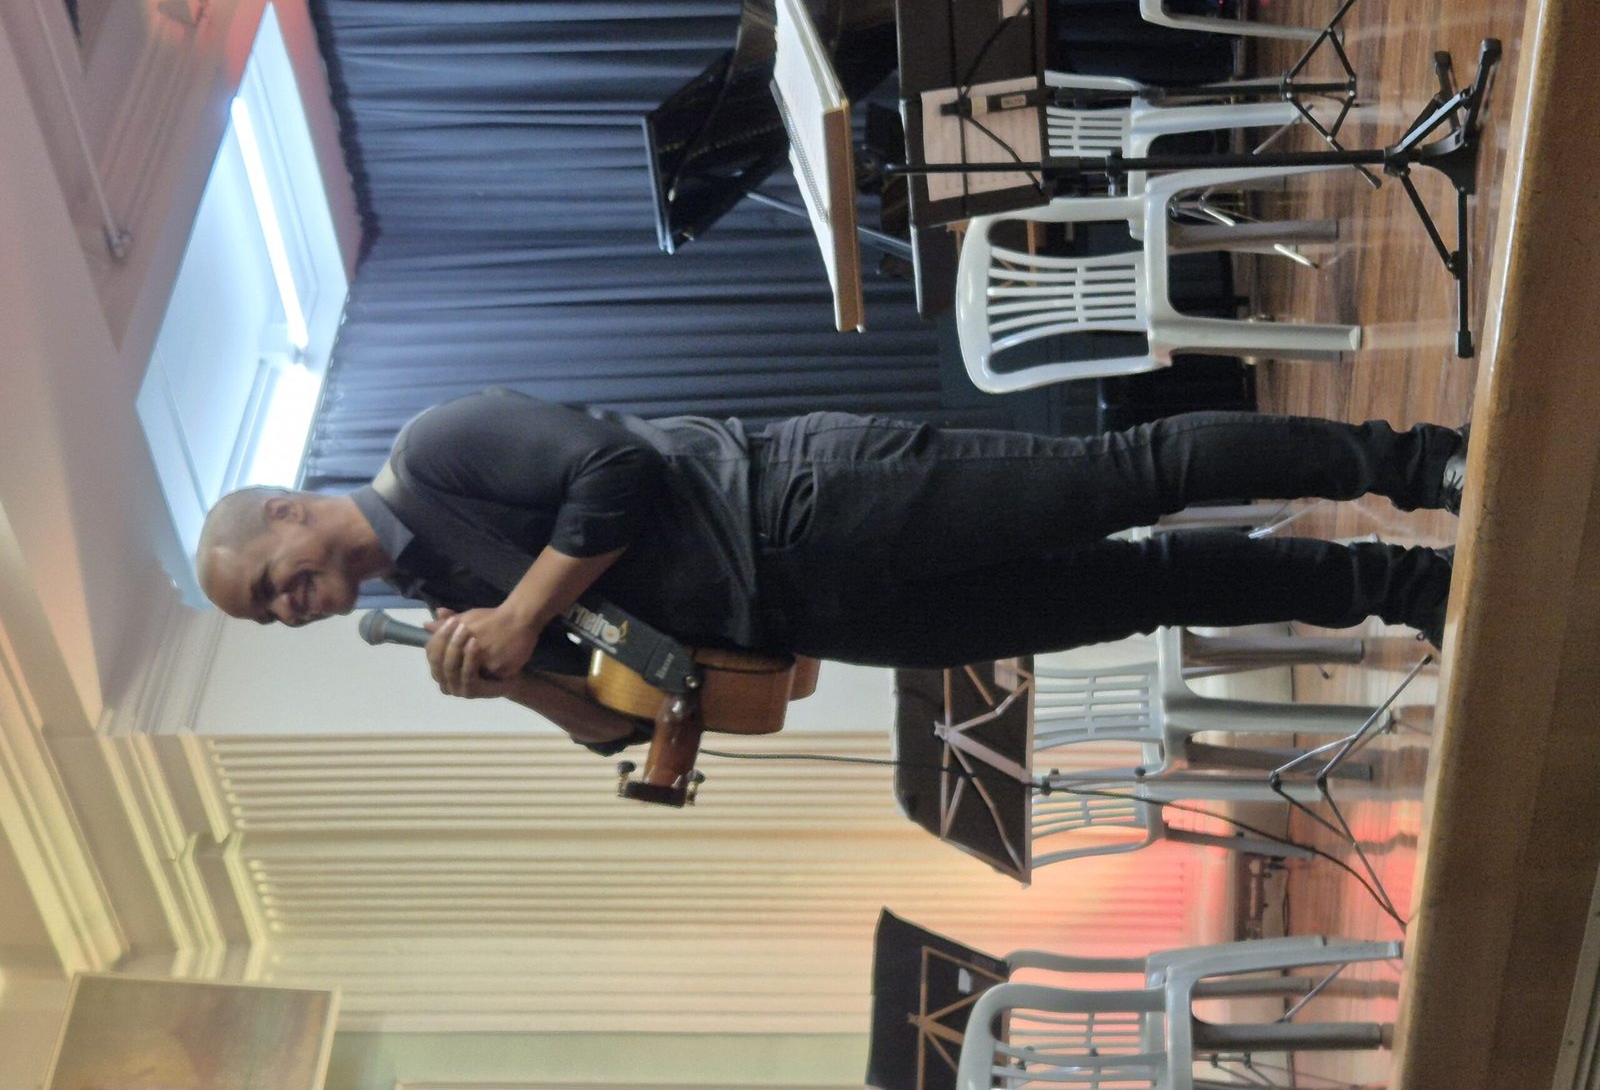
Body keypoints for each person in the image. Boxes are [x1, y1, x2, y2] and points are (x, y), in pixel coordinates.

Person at [196, 388, 1466, 752]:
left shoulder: (435, 449)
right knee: (1134, 593)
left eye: (271, 583)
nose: (290, 609)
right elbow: (622, 719)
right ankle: (1405, 591)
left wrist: (524, 611)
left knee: (1118, 477)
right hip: (821, 612)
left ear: (289, 510)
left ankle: (1417, 462)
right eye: (272, 618)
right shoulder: (444, 610)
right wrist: (512, 682)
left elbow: (615, 475)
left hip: (811, 498)